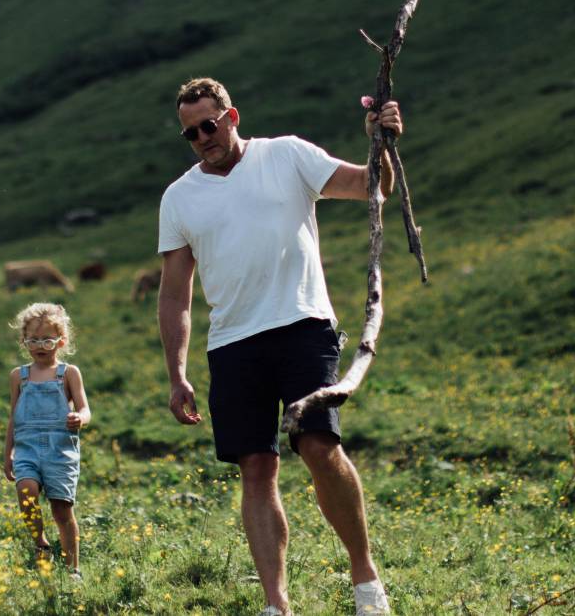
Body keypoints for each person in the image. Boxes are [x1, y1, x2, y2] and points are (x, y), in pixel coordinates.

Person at [157, 77, 401, 616]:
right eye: (190, 133)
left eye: (208, 125)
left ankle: (366, 580)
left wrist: (380, 142)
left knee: (318, 446)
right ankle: (276, 605)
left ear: (232, 116)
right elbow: (174, 296)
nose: (202, 138)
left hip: (302, 324)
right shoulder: (178, 197)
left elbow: (372, 187)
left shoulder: (287, 155)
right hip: (232, 343)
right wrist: (177, 374)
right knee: (255, 466)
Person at [2, 302, 92, 579]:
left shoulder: (69, 373)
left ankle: (73, 569)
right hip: (27, 449)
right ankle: (40, 542)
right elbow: (14, 417)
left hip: (60, 452)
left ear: (61, 341)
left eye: (47, 340)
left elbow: (85, 409)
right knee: (25, 490)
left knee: (61, 510)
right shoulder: (19, 376)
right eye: (33, 340)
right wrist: (8, 453)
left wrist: (79, 418)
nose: (40, 346)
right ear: (24, 341)